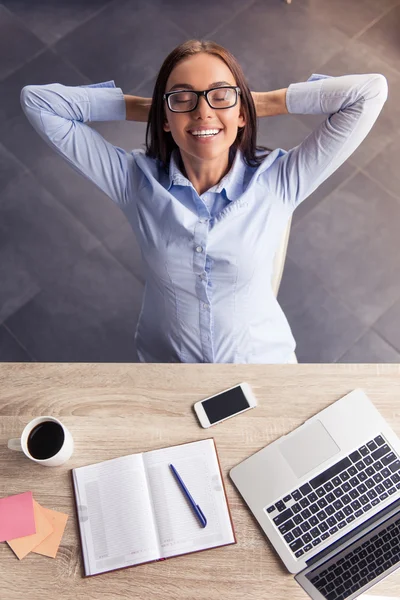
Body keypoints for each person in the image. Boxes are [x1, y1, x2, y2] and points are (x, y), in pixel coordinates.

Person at [20, 39, 388, 364]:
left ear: (243, 112)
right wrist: (153, 109)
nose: (202, 112)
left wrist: (264, 102)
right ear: (164, 118)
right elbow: (39, 102)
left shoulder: (280, 180)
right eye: (183, 97)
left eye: (221, 94)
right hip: (168, 369)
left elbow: (369, 92)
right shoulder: (133, 180)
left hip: (264, 368)